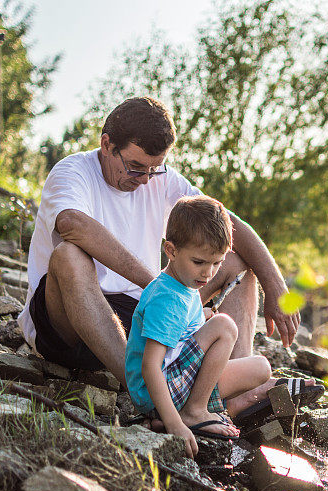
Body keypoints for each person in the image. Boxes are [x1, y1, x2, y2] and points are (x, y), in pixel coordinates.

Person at [16, 96, 300, 388]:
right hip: (69, 323)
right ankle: (144, 390)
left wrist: (276, 286)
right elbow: (71, 223)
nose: (145, 180)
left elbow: (229, 225)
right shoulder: (72, 172)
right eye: (136, 167)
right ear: (106, 145)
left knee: (237, 261)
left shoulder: (160, 178)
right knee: (68, 255)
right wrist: (157, 285)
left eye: (155, 168)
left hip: (140, 318)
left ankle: (235, 388)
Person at [125, 196, 271, 456]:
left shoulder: (185, 284)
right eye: (199, 262)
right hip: (156, 390)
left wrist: (199, 317)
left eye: (217, 263)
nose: (208, 273)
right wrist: (175, 425)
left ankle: (190, 409)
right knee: (224, 326)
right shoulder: (168, 299)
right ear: (170, 250)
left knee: (261, 368)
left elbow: (180, 335)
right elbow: (150, 366)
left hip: (171, 383)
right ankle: (193, 412)